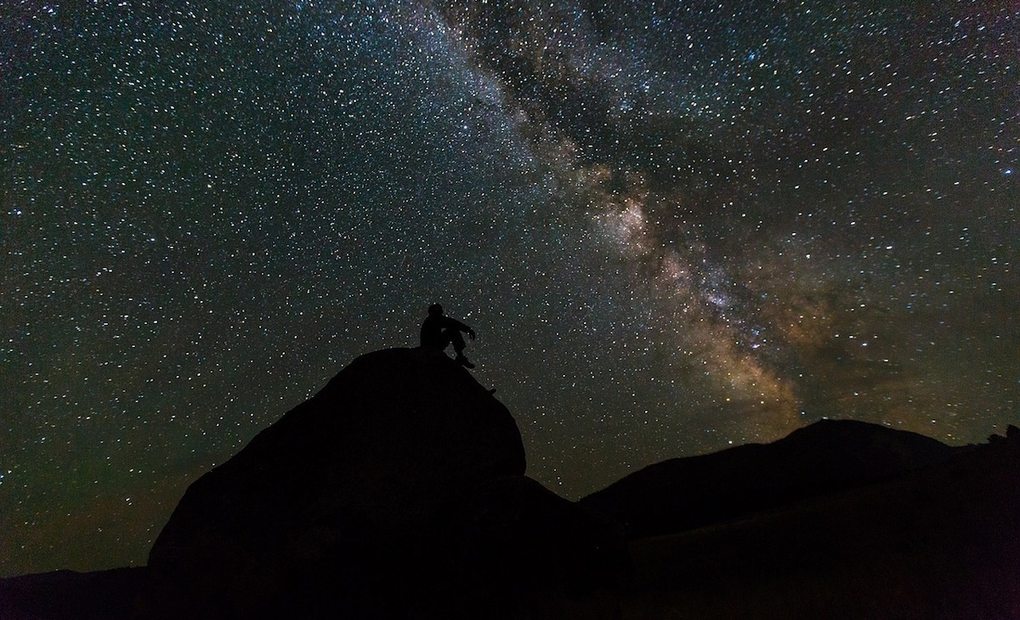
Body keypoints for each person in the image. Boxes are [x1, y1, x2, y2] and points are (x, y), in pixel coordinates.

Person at [420, 303, 476, 368]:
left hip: (431, 346)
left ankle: (460, 356)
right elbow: (452, 323)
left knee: (452, 330)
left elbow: (451, 322)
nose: (441, 314)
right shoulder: (433, 320)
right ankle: (460, 356)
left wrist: (468, 330)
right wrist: (468, 330)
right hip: (431, 347)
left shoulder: (431, 320)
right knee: (453, 331)